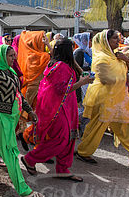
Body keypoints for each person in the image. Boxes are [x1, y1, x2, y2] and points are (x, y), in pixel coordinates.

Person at [76, 30, 129, 173]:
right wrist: (125, 79)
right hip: (105, 101)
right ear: (106, 41)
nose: (117, 41)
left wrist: (126, 60)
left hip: (120, 100)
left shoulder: (118, 55)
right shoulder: (101, 58)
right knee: (95, 129)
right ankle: (83, 152)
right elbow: (106, 79)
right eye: (114, 39)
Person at [21, 39, 93, 182]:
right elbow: (61, 90)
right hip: (59, 109)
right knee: (61, 139)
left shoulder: (61, 64)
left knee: (70, 138)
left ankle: (63, 169)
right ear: (68, 50)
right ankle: (30, 159)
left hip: (67, 106)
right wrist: (81, 83)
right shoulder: (60, 66)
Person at [0, 44, 44, 197]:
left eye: (14, 55)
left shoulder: (11, 72)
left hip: (11, 116)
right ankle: (23, 189)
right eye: (11, 56)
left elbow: (18, 95)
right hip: (0, 117)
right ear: (2, 56)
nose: (14, 58)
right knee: (11, 151)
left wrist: (29, 110)